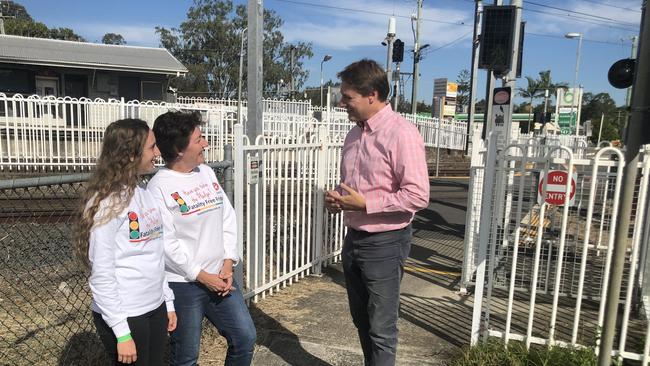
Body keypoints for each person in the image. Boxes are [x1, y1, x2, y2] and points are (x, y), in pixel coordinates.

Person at [325, 59, 430, 366]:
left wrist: (367, 205)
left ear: (371, 94)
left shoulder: (401, 133)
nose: (342, 103)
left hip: (385, 242)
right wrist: (339, 200)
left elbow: (418, 194)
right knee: (361, 321)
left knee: (382, 328)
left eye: (348, 97)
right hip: (353, 238)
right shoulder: (354, 134)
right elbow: (356, 187)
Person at [148, 111, 256, 366]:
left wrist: (228, 261)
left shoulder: (205, 172)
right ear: (178, 149)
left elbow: (226, 217)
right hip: (184, 284)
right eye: (199, 140)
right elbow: (166, 243)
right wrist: (201, 275)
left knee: (244, 337)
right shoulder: (159, 187)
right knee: (186, 357)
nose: (205, 144)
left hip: (220, 275)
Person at [75, 118, 177, 365]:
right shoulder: (106, 203)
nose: (158, 153)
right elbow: (102, 274)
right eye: (152, 147)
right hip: (127, 314)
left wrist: (168, 301)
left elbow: (155, 253)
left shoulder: (143, 193)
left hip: (154, 306)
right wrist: (122, 332)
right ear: (131, 155)